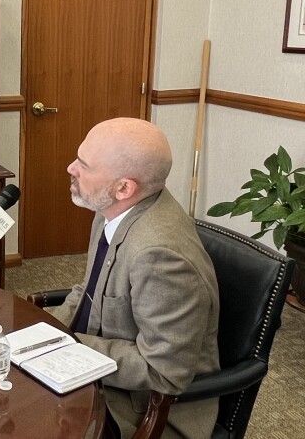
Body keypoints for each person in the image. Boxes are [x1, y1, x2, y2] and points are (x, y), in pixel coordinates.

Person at [49, 118, 220, 439]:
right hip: (96, 367)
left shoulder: (160, 255)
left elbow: (165, 373)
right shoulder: (111, 208)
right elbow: (89, 290)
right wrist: (48, 335)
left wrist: (69, 347)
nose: (71, 168)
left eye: (83, 165)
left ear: (124, 187)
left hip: (140, 409)